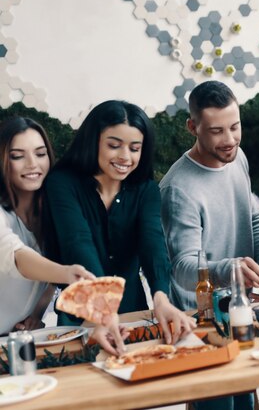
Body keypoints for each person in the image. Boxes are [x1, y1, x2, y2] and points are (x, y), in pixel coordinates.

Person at [159, 80, 259, 410]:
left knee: (245, 402)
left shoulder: (236, 157)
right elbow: (182, 270)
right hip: (202, 322)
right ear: (192, 127)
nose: (229, 140)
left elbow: (253, 217)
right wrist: (231, 270)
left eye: (234, 127)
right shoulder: (178, 189)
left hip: (241, 311)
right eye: (216, 131)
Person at [43, 100, 195, 354]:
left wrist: (160, 296)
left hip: (132, 312)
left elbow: (153, 244)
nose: (125, 156)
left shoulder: (146, 190)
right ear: (94, 142)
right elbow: (77, 243)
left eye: (135, 148)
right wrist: (102, 309)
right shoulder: (62, 183)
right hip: (81, 315)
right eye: (114, 145)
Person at [0, 117, 95, 335]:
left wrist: (35, 314)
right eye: (17, 156)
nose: (33, 163)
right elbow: (18, 258)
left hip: (11, 341)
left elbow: (48, 275)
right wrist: (67, 273)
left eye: (40, 154)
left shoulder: (53, 211)